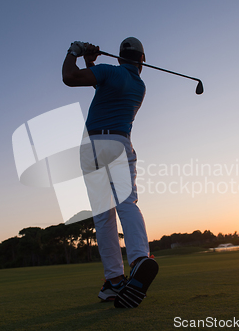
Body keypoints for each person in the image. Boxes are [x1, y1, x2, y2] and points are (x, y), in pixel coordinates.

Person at [62, 37, 158, 308]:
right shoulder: (139, 85)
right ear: (143, 60)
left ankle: (114, 281)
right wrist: (91, 61)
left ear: (118, 58)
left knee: (103, 216)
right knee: (126, 202)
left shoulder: (108, 71)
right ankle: (140, 259)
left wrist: (75, 52)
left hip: (91, 147)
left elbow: (70, 77)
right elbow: (100, 80)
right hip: (118, 143)